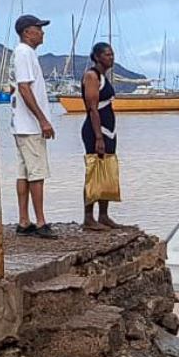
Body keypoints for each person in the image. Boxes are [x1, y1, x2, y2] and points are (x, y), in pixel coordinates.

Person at [11, 14, 57, 239]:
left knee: (25, 173)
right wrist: (43, 120)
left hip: (22, 125)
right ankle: (40, 221)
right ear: (28, 32)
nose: (42, 32)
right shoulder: (24, 53)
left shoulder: (24, 53)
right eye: (39, 28)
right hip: (29, 126)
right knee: (37, 173)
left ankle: (24, 220)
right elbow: (24, 88)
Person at [80, 42, 121, 231]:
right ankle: (88, 216)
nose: (111, 57)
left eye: (112, 54)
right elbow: (92, 108)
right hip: (96, 130)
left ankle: (103, 215)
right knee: (94, 170)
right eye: (107, 54)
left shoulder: (104, 76)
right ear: (97, 57)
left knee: (107, 170)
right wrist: (98, 137)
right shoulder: (92, 76)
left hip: (109, 130)